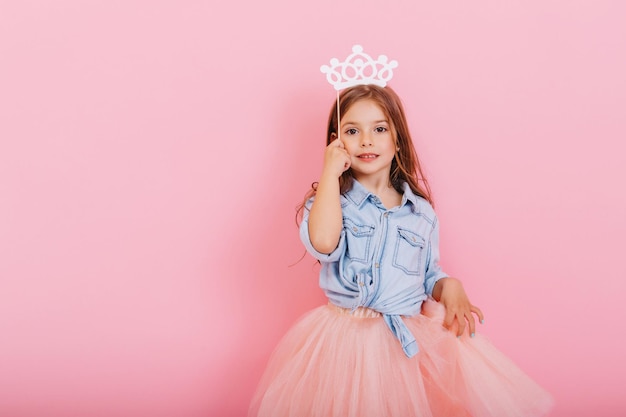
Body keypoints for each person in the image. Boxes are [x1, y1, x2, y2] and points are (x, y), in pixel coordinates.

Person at [248, 84, 553, 417]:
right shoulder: (331, 202)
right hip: (344, 341)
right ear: (337, 142)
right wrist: (329, 174)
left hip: (402, 345)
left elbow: (428, 273)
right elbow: (323, 242)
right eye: (353, 131)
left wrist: (448, 285)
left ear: (397, 139)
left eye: (379, 128)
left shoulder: (420, 212)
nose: (366, 140)